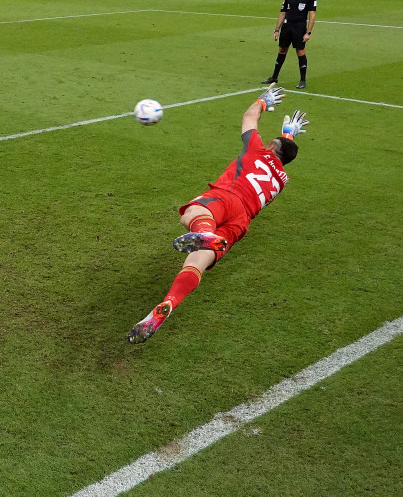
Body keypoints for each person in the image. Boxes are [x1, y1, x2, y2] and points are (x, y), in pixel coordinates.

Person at [128, 86, 309, 343]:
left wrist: (262, 102)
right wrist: (288, 137)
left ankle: (204, 234)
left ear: (270, 146)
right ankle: (165, 306)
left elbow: (249, 117)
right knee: (195, 264)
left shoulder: (257, 149)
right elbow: (282, 154)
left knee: (191, 214)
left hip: (228, 198)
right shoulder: (282, 179)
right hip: (241, 222)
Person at [263, 0, 317, 89]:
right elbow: (282, 13)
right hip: (287, 28)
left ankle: (303, 80)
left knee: (300, 52)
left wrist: (308, 32)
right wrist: (276, 30)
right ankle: (274, 77)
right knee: (282, 50)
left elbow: (312, 15)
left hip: (299, 28)